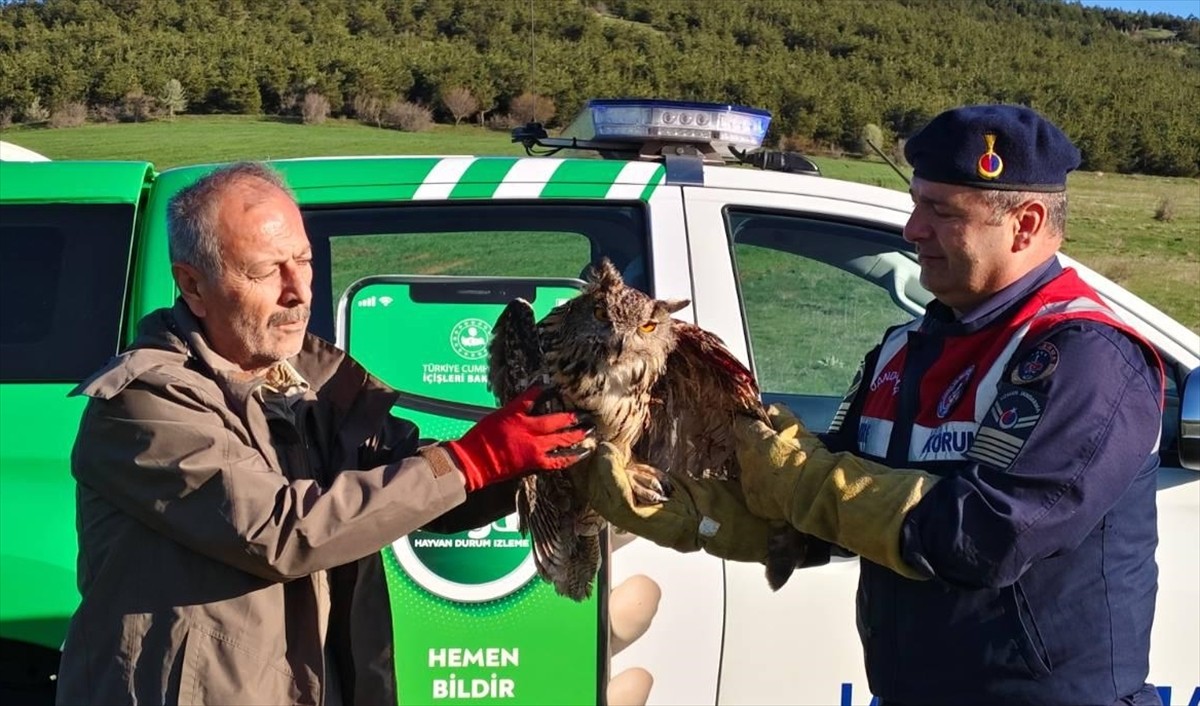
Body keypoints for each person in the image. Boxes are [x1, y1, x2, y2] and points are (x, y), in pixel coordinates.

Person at [587, 105, 1166, 706]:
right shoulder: (902, 351)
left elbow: (988, 535)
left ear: (1025, 224)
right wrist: (692, 512)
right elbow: (834, 515)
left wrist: (805, 480)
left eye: (940, 212)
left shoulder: (1083, 355)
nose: (913, 229)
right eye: (916, 204)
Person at [55, 162, 594, 705]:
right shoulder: (143, 402)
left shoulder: (312, 384)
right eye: (265, 271)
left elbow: (411, 487)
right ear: (193, 285)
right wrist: (471, 461)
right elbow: (281, 530)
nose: (297, 291)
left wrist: (539, 460)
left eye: (304, 260)